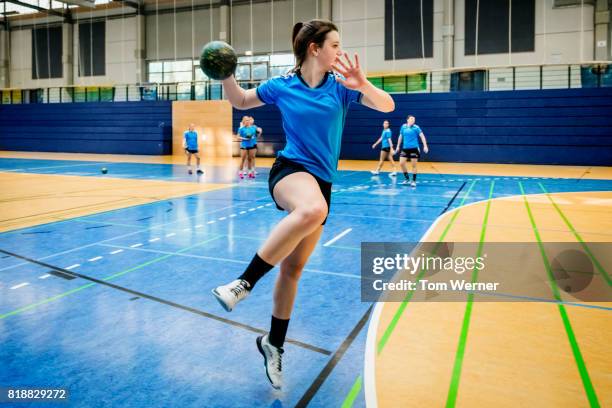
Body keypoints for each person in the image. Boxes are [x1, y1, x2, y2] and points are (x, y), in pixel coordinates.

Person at [211, 19, 394, 389]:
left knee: (293, 270)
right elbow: (240, 100)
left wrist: (364, 85)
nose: (340, 52)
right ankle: (242, 284)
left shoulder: (341, 90)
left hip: (321, 184)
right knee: (311, 210)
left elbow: (387, 106)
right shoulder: (283, 86)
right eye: (335, 45)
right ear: (315, 48)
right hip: (290, 172)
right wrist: (225, 74)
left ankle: (272, 343)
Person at [396, 115, 429, 187]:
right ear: (407, 120)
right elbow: (400, 136)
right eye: (411, 119)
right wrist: (398, 146)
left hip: (414, 148)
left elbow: (422, 136)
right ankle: (407, 178)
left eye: (414, 119)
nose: (413, 120)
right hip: (405, 149)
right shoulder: (403, 127)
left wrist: (425, 145)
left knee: (413, 165)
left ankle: (413, 181)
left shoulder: (416, 127)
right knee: (401, 163)